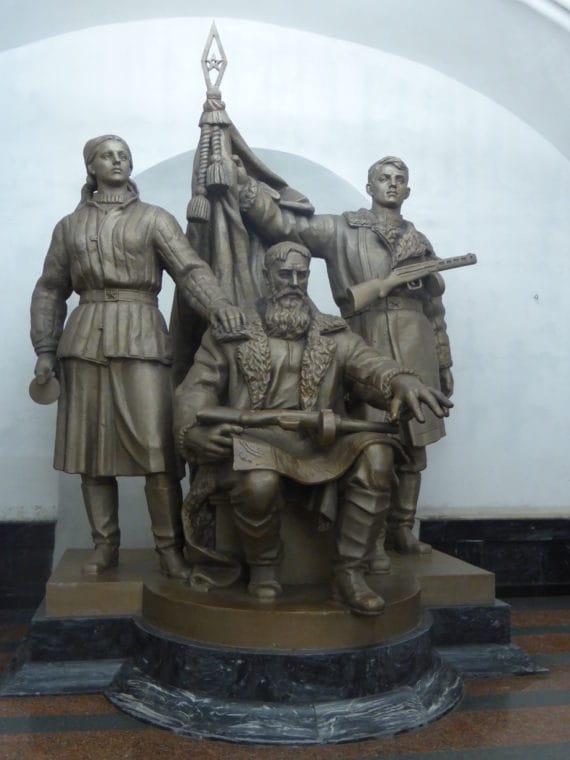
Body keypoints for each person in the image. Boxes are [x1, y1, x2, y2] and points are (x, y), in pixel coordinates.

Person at [174, 241, 451, 615]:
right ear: (266, 275)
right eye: (284, 274)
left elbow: (369, 366)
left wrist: (400, 380)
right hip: (252, 440)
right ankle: (265, 568)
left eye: (301, 275)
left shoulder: (331, 332)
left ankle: (349, 573)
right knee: (259, 482)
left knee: (378, 456)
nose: (293, 282)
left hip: (318, 441)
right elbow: (196, 388)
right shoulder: (233, 332)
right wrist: (193, 430)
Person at [31, 135, 243, 578]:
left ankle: (169, 550)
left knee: (158, 452)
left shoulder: (154, 219)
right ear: (91, 166)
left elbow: (189, 270)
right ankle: (104, 545)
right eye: (108, 155)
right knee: (90, 453)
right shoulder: (69, 227)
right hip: (85, 340)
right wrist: (45, 348)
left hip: (142, 336)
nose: (118, 160)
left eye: (124, 154)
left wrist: (219, 306)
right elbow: (51, 288)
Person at [234, 155, 453, 562]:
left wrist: (443, 362)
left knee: (415, 441)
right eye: (383, 178)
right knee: (370, 441)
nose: (391, 184)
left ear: (408, 189)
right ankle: (369, 544)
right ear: (368, 187)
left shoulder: (418, 241)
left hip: (416, 339)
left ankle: (402, 527)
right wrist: (246, 188)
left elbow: (435, 309)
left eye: (399, 179)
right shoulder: (342, 228)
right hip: (365, 337)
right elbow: (288, 227)